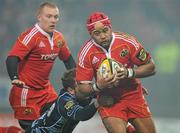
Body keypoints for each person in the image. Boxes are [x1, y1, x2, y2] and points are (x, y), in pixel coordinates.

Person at [76, 11, 156, 133]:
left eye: (105, 30)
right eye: (97, 33)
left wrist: (129, 72)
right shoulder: (86, 53)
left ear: (110, 28)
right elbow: (81, 89)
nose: (102, 36)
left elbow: (151, 66)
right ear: (91, 34)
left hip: (133, 94)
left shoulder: (128, 42)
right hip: (109, 99)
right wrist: (98, 86)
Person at [6, 2, 76, 131]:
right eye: (48, 16)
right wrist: (14, 77)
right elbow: (11, 58)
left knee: (65, 118)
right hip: (26, 93)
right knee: (35, 130)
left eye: (56, 17)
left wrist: (78, 79)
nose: (53, 20)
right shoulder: (31, 36)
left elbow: (68, 60)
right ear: (39, 17)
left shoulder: (58, 38)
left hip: (46, 92)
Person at [29, 69, 99, 133]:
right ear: (71, 90)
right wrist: (98, 103)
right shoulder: (65, 100)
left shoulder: (83, 92)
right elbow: (81, 115)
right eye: (80, 83)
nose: (87, 84)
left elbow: (101, 92)